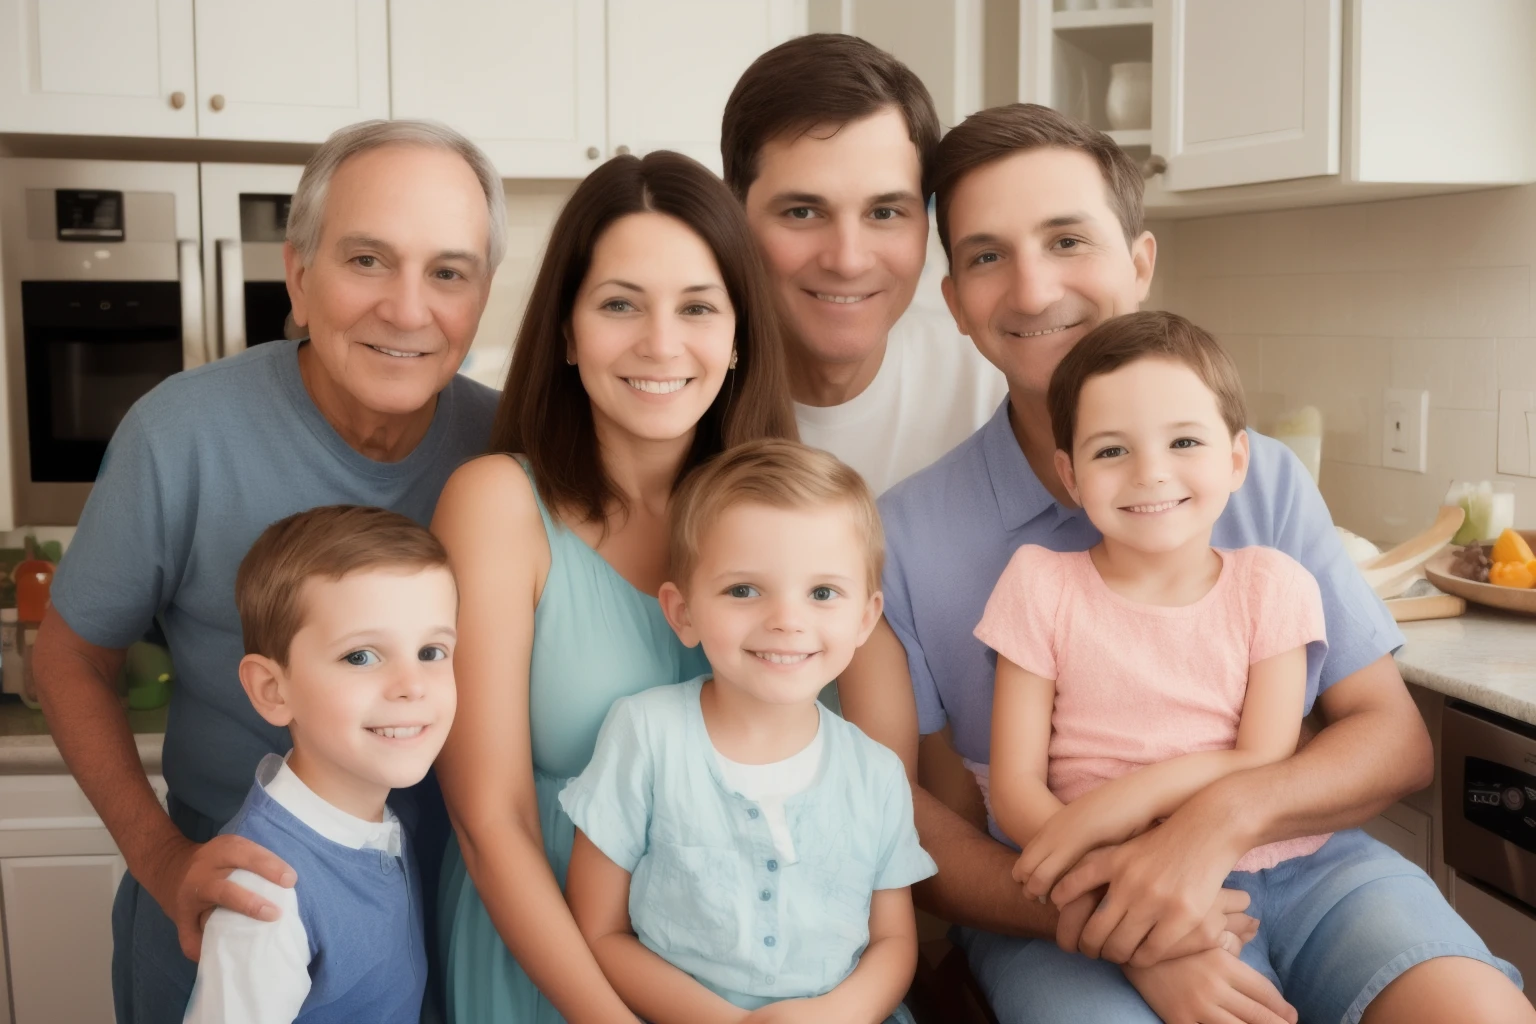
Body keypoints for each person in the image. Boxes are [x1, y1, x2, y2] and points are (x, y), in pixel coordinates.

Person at [837, 102, 1536, 1024]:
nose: (1034, 287)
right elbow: (918, 817)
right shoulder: (906, 536)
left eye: (1068, 239)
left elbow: (1393, 741)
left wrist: (1218, 823)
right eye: (986, 255)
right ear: (956, 300)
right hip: (1054, 912)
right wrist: (1128, 920)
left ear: (1139, 262)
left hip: (1311, 873)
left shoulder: (1263, 484)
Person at [32, 118, 505, 1024]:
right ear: (298, 276)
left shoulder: (509, 443)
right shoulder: (181, 435)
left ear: (481, 297)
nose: (408, 309)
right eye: (367, 260)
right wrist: (164, 861)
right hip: (231, 920)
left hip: (437, 929)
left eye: (448, 272)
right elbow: (68, 658)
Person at [979, 310, 1523, 1020]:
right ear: (1069, 473)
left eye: (1183, 441)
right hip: (1106, 879)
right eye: (1111, 450)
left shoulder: (1272, 584)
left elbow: (1262, 755)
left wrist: (1130, 797)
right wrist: (1121, 906)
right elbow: (1016, 791)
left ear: (1237, 460)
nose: (1151, 472)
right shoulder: (1038, 583)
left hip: (1303, 868)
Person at [432, 150, 796, 1022]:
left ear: (740, 334)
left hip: (761, 963)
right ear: (565, 331)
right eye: (619, 304)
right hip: (551, 966)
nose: (660, 344)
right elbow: (491, 824)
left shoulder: (797, 510)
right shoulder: (497, 507)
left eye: (698, 307)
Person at [561, 439, 936, 1024]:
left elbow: (894, 943)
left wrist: (836, 1016)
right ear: (683, 612)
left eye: (822, 593)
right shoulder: (647, 735)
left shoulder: (876, 772)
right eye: (744, 590)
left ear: (865, 617)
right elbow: (599, 930)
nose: (786, 619)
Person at [184, 505, 459, 1023]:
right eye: (361, 656)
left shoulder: (382, 825)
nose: (412, 685)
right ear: (273, 689)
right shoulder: (268, 894)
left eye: (431, 651)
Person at [722, 34, 1007, 495]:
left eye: (884, 213)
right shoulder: (683, 394)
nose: (848, 261)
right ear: (732, 213)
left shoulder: (993, 386)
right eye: (802, 212)